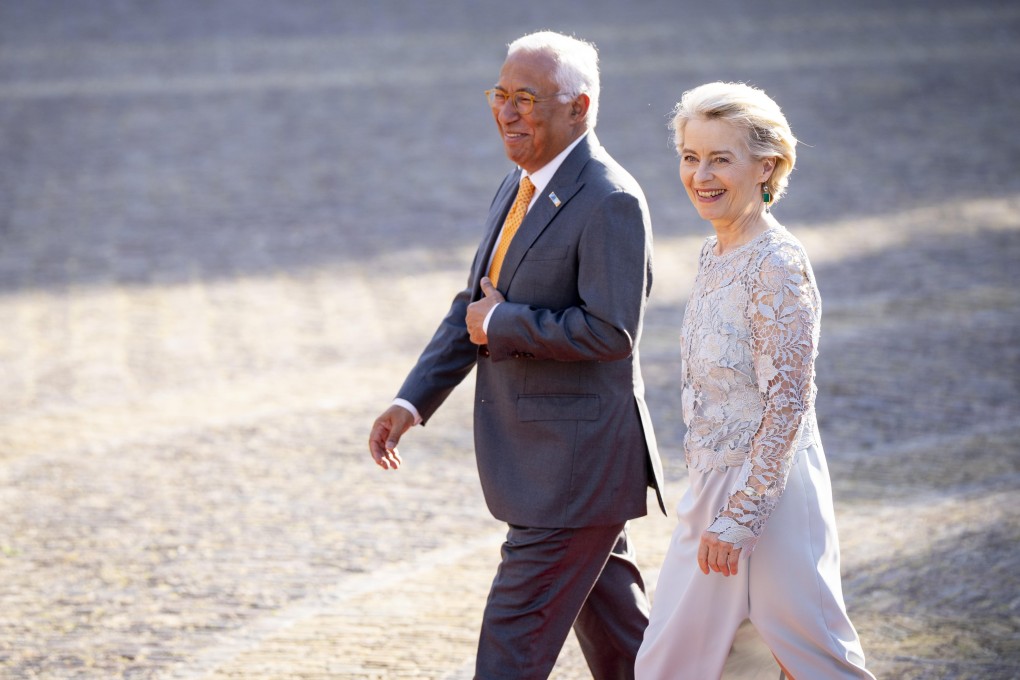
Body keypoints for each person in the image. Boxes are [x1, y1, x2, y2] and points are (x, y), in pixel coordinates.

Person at [368, 31, 666, 680]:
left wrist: (504, 320)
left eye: (526, 99)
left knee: (511, 649)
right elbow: (471, 306)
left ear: (579, 108)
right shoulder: (519, 182)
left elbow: (612, 332)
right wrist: (410, 401)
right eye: (499, 95)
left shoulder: (611, 199)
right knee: (627, 652)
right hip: (558, 470)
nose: (507, 112)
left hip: (572, 471)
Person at [634, 82, 874, 679]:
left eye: (721, 158)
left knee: (815, 663)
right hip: (713, 485)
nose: (700, 175)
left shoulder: (778, 264)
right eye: (691, 157)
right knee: (681, 663)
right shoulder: (715, 253)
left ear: (766, 166)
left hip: (770, 495)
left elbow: (789, 399)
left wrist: (744, 512)